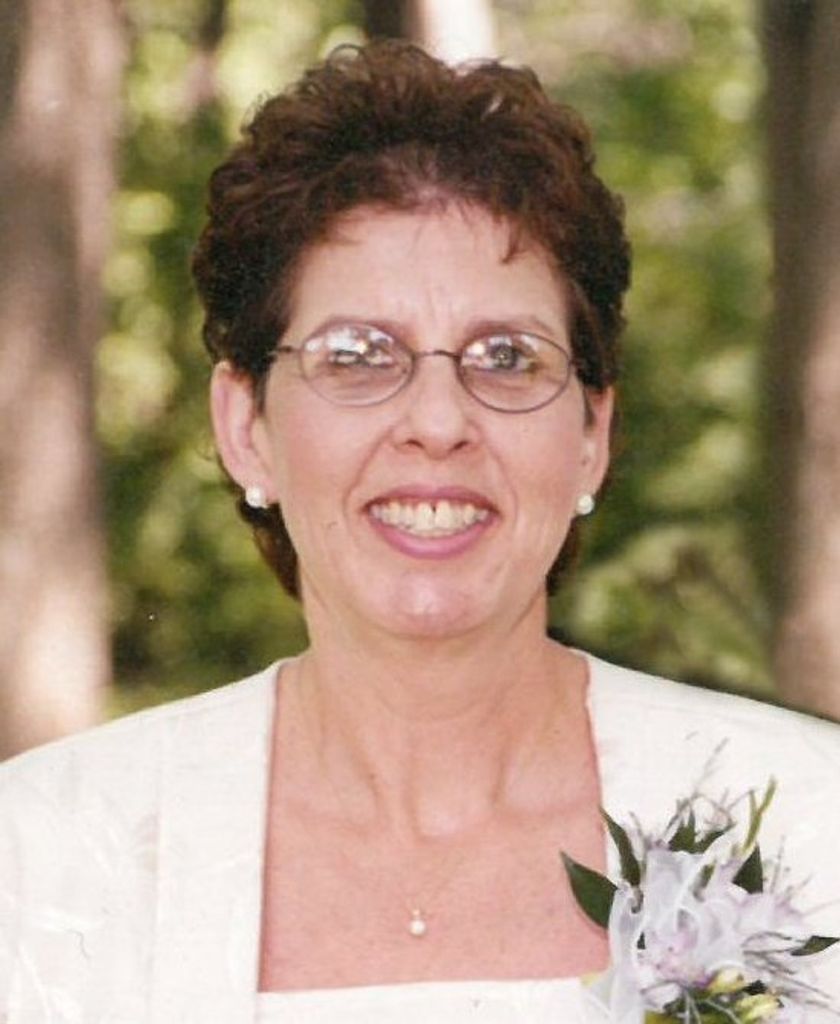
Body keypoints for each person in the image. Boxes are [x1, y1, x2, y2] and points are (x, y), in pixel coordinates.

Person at [1, 40, 839, 1024]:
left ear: (591, 436)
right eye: (358, 355)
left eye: (507, 357)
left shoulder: (810, 827)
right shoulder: (45, 855)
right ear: (246, 426)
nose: (438, 422)